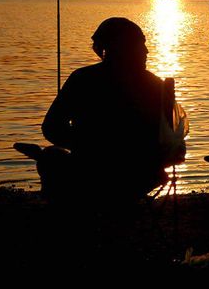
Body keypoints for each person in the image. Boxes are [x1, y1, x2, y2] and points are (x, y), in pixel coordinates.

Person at [32, 17, 179, 206]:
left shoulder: (81, 79)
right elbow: (172, 141)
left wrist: (83, 144)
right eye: (140, 45)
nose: (146, 51)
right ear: (121, 48)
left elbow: (51, 128)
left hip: (90, 172)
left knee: (50, 157)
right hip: (143, 176)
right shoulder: (158, 85)